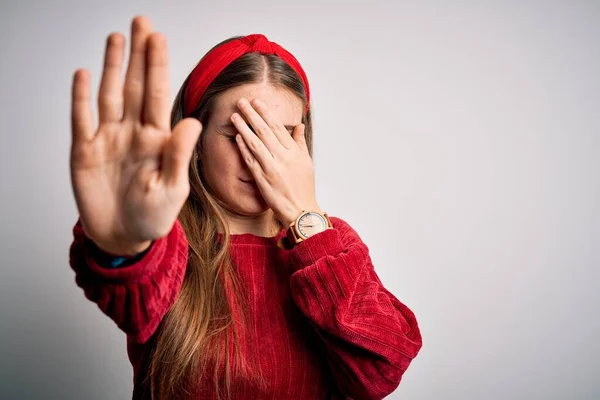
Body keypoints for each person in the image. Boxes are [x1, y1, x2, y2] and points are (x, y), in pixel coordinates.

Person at [68, 15, 423, 400]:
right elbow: (133, 293)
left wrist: (306, 217)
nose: (260, 156)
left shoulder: (330, 242)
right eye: (240, 134)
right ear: (197, 139)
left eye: (281, 135)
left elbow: (380, 372)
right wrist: (126, 246)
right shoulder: (167, 240)